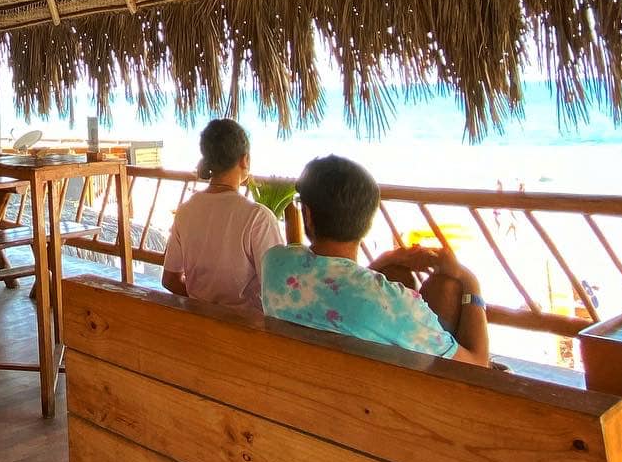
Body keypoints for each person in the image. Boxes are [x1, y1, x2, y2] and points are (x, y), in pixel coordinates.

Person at [260, 154, 490, 367]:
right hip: (380, 407)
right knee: (448, 287)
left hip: (298, 394)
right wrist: (468, 279)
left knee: (399, 274)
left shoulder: (276, 264)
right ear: (367, 221)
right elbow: (478, 365)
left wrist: (387, 260)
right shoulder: (396, 307)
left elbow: (335, 287)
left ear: (307, 216)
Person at [161, 118, 282, 310]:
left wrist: (206, 305)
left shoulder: (185, 211)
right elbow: (278, 292)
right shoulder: (257, 218)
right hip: (245, 332)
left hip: (200, 326)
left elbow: (170, 280)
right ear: (245, 160)